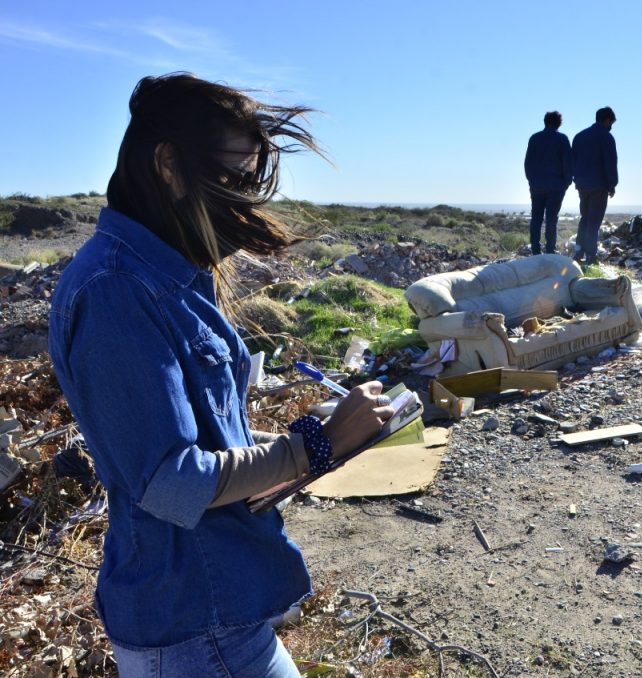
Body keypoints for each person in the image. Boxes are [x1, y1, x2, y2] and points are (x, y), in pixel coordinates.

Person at [48, 73, 394, 677]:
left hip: (214, 616)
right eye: (232, 180)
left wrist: (325, 434)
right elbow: (172, 480)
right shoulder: (118, 292)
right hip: (195, 630)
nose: (244, 203)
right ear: (168, 165)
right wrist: (314, 446)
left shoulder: (162, 276)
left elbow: (204, 445)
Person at [571, 106, 618, 266]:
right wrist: (612, 184)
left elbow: (573, 161)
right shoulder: (606, 137)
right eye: (611, 122)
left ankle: (579, 250)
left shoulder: (579, 136)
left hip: (582, 185)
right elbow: (610, 163)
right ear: (607, 120)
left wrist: (576, 180)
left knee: (584, 218)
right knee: (594, 221)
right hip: (599, 186)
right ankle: (591, 255)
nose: (611, 126)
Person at [524, 111, 573, 255]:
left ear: (545, 121)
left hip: (537, 185)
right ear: (559, 123)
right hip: (556, 186)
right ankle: (550, 249)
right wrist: (566, 183)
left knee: (536, 218)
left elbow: (527, 163)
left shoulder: (534, 138)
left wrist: (532, 181)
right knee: (552, 218)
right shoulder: (562, 139)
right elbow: (567, 164)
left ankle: (535, 249)